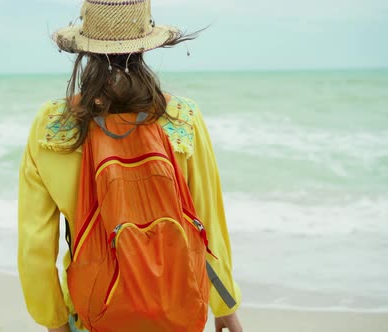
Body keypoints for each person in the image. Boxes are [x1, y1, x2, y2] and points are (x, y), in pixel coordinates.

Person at [18, 1, 243, 331]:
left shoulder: (52, 126)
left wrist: (54, 322)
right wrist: (225, 304)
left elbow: (35, 244)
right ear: (146, 45)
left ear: (85, 49)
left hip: (93, 312)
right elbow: (208, 222)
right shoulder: (182, 119)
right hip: (175, 310)